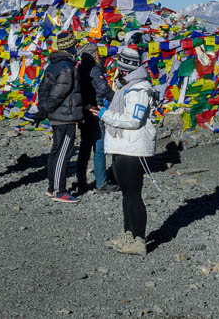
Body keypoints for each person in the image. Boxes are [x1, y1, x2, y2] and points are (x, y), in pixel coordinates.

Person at [90, 46, 159, 256]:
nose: (117, 73)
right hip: (122, 147)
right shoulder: (126, 89)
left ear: (126, 69)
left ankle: (139, 239)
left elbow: (133, 120)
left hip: (133, 148)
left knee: (133, 195)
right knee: (126, 195)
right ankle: (128, 233)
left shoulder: (139, 90)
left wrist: (104, 115)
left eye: (120, 69)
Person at [35, 31, 84, 203]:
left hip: (57, 116)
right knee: (64, 153)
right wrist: (46, 109)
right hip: (65, 116)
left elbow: (43, 89)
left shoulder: (52, 65)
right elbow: (58, 93)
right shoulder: (67, 67)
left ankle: (52, 187)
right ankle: (58, 190)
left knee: (56, 151)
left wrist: (43, 109)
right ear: (70, 46)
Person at [75, 43, 117, 194]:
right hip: (95, 110)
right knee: (99, 148)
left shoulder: (79, 68)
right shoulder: (95, 69)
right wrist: (118, 98)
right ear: (93, 54)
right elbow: (104, 89)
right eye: (97, 53)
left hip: (83, 110)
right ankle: (101, 183)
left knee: (85, 148)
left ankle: (81, 181)